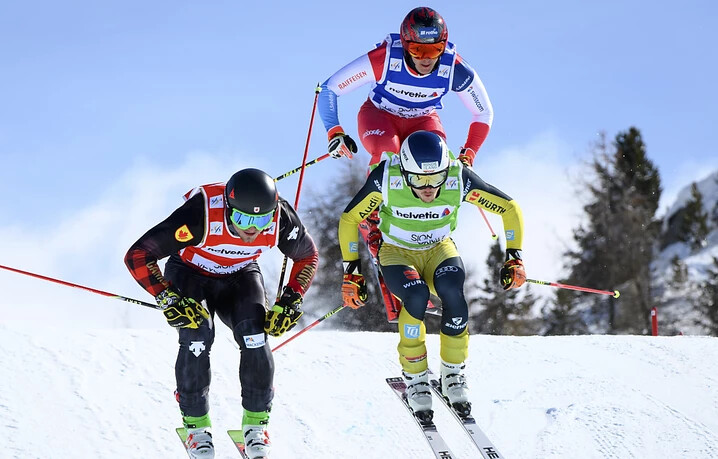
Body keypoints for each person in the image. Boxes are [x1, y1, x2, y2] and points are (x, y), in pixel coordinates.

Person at [125, 168, 318, 459]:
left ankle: (256, 426)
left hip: (239, 276)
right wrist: (166, 295)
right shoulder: (200, 214)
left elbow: (306, 255)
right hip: (190, 273)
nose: (252, 230)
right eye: (242, 219)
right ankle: (196, 428)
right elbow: (139, 254)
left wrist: (291, 298)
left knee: (255, 335)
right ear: (228, 208)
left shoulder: (280, 219)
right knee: (198, 335)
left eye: (260, 220)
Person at [337, 130, 525, 419]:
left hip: (439, 249)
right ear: (405, 171)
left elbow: (508, 208)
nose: (428, 188)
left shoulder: (457, 177)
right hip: (397, 252)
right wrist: (352, 272)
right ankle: (416, 376)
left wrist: (514, 257)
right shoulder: (387, 177)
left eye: (436, 178)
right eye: (419, 179)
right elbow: (351, 218)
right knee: (415, 295)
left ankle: (453, 373)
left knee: (454, 294)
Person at [319, 6, 493, 169]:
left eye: (434, 50)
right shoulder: (384, 60)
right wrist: (334, 132)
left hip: (423, 119)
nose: (426, 59)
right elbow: (329, 88)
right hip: (379, 115)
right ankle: (377, 200)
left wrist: (469, 153)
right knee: (388, 156)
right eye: (417, 50)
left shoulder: (455, 69)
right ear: (405, 44)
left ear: (443, 45)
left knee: (436, 162)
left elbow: (483, 112)